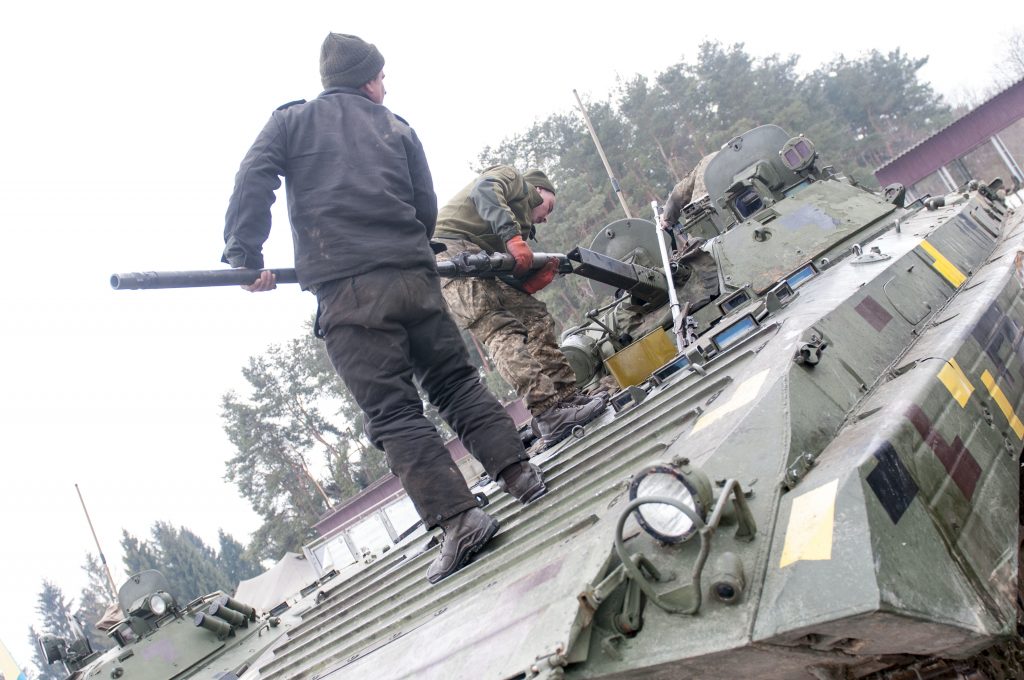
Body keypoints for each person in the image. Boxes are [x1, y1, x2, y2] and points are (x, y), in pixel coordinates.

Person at [221, 33, 545, 584]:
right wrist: (405, 248)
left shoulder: (290, 123)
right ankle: (519, 476)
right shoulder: (397, 128)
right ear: (367, 80)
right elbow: (424, 205)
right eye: (381, 76)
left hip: (351, 292)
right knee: (456, 383)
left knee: (393, 412)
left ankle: (460, 519)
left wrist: (245, 256)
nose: (386, 86)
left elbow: (254, 178)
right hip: (415, 278)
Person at [434, 166, 606, 447]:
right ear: (538, 190)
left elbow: (507, 280)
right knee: (499, 329)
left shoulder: (511, 224)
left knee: (535, 316)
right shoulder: (512, 179)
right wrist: (513, 238)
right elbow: (484, 190)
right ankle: (548, 412)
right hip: (447, 252)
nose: (547, 218)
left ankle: (566, 397)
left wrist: (526, 283)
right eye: (549, 206)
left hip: (478, 257)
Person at [659, 152, 717, 230]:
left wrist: (666, 217)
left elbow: (681, 192)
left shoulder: (710, 159)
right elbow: (680, 192)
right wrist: (667, 215)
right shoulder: (715, 157)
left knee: (697, 222)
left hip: (708, 218)